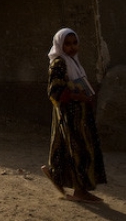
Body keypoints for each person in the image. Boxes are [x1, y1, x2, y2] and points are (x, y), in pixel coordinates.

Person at [41, 27, 107, 203]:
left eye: (74, 43)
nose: (71, 47)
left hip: (79, 114)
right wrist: (78, 96)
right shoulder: (59, 63)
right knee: (80, 149)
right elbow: (54, 91)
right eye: (67, 44)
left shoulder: (73, 62)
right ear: (59, 45)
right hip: (70, 115)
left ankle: (57, 176)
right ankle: (80, 190)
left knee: (67, 148)